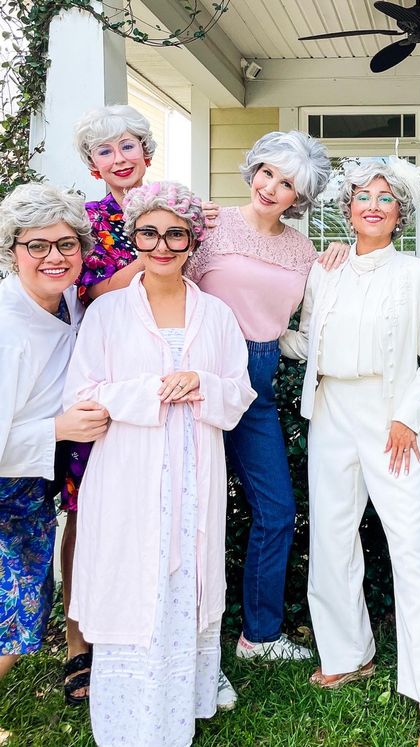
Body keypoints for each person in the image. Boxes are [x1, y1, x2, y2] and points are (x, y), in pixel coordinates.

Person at [63, 182, 256, 747]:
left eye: (175, 233)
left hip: (194, 471)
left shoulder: (215, 314)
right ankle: (126, 719)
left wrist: (202, 384)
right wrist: (151, 391)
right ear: (133, 237)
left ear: (192, 238)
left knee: (184, 577)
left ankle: (181, 704)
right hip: (128, 469)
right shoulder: (107, 313)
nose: (162, 245)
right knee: (131, 576)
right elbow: (83, 395)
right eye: (149, 232)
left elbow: (239, 393)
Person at [280, 158, 420, 747]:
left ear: (401, 213)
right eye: (362, 196)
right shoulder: (324, 269)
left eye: (385, 198)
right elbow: (304, 339)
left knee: (410, 546)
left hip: (391, 419)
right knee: (331, 536)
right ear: (348, 207)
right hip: (330, 412)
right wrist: (260, 324)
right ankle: (347, 652)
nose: (372, 206)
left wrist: (406, 416)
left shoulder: (417, 275)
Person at [185, 130, 346, 662]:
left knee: (277, 510)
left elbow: (302, 326)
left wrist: (342, 258)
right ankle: (184, 637)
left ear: (300, 198)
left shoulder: (303, 250)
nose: (272, 188)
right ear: (253, 169)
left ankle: (259, 636)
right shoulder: (209, 224)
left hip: (259, 378)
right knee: (191, 511)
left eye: (288, 184)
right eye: (268, 173)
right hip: (200, 375)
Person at [0, 184, 108, 720]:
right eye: (36, 246)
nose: (53, 257)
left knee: (23, 614)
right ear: (12, 250)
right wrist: (59, 428)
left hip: (32, 486)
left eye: (66, 245)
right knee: (14, 618)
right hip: (6, 486)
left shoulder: (64, 297)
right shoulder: (5, 327)